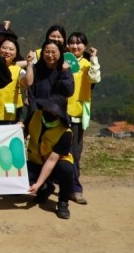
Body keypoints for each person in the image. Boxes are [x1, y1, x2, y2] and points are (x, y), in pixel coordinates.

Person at [64, 32, 101, 205]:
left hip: (77, 113)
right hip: (60, 112)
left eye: (79, 43)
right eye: (71, 43)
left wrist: (94, 59)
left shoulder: (87, 64)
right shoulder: (63, 61)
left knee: (75, 153)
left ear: (85, 46)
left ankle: (75, 189)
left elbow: (94, 78)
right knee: (55, 152)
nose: (75, 46)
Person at [26, 96, 75, 219]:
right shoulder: (35, 116)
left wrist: (37, 183)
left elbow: (52, 161)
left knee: (66, 169)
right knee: (19, 173)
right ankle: (45, 188)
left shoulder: (65, 133)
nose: (49, 113)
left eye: (54, 112)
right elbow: (23, 130)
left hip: (55, 166)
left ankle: (63, 202)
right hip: (35, 162)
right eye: (47, 109)